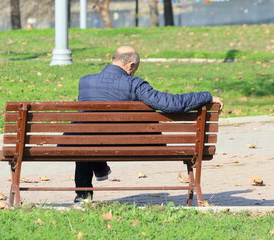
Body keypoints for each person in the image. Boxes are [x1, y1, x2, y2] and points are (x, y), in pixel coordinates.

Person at [74, 46, 224, 204]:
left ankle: (83, 195)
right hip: (132, 145)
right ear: (130, 65)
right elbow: (170, 104)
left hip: (88, 144)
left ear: (113, 60)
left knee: (86, 136)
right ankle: (99, 168)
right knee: (94, 135)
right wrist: (206, 96)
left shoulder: (85, 81)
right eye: (134, 69)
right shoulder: (134, 84)